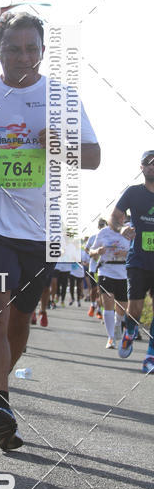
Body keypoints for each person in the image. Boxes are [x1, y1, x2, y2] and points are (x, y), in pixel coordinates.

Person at [0, 11, 100, 449]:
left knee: (19, 321)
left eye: (32, 49)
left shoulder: (62, 96)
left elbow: (93, 156)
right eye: (14, 49)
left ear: (43, 52)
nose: (23, 57)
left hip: (41, 227)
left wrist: (60, 145)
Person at [112, 151, 154, 372]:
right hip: (138, 260)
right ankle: (129, 331)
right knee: (135, 309)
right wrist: (122, 228)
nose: (152, 167)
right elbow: (114, 217)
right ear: (141, 168)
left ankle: (150, 355)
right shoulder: (133, 192)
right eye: (148, 163)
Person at [90, 223, 129, 348]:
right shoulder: (103, 232)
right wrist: (97, 251)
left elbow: (137, 251)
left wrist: (125, 253)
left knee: (122, 306)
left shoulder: (130, 231)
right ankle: (111, 337)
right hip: (105, 270)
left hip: (123, 272)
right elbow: (91, 251)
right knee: (108, 302)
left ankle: (118, 324)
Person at [86, 218, 106, 316]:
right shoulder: (93, 237)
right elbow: (86, 249)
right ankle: (93, 305)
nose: (102, 226)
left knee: (100, 290)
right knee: (94, 289)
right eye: (101, 224)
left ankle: (99, 309)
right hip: (93, 267)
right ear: (98, 226)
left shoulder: (108, 237)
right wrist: (93, 254)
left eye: (104, 224)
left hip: (103, 268)